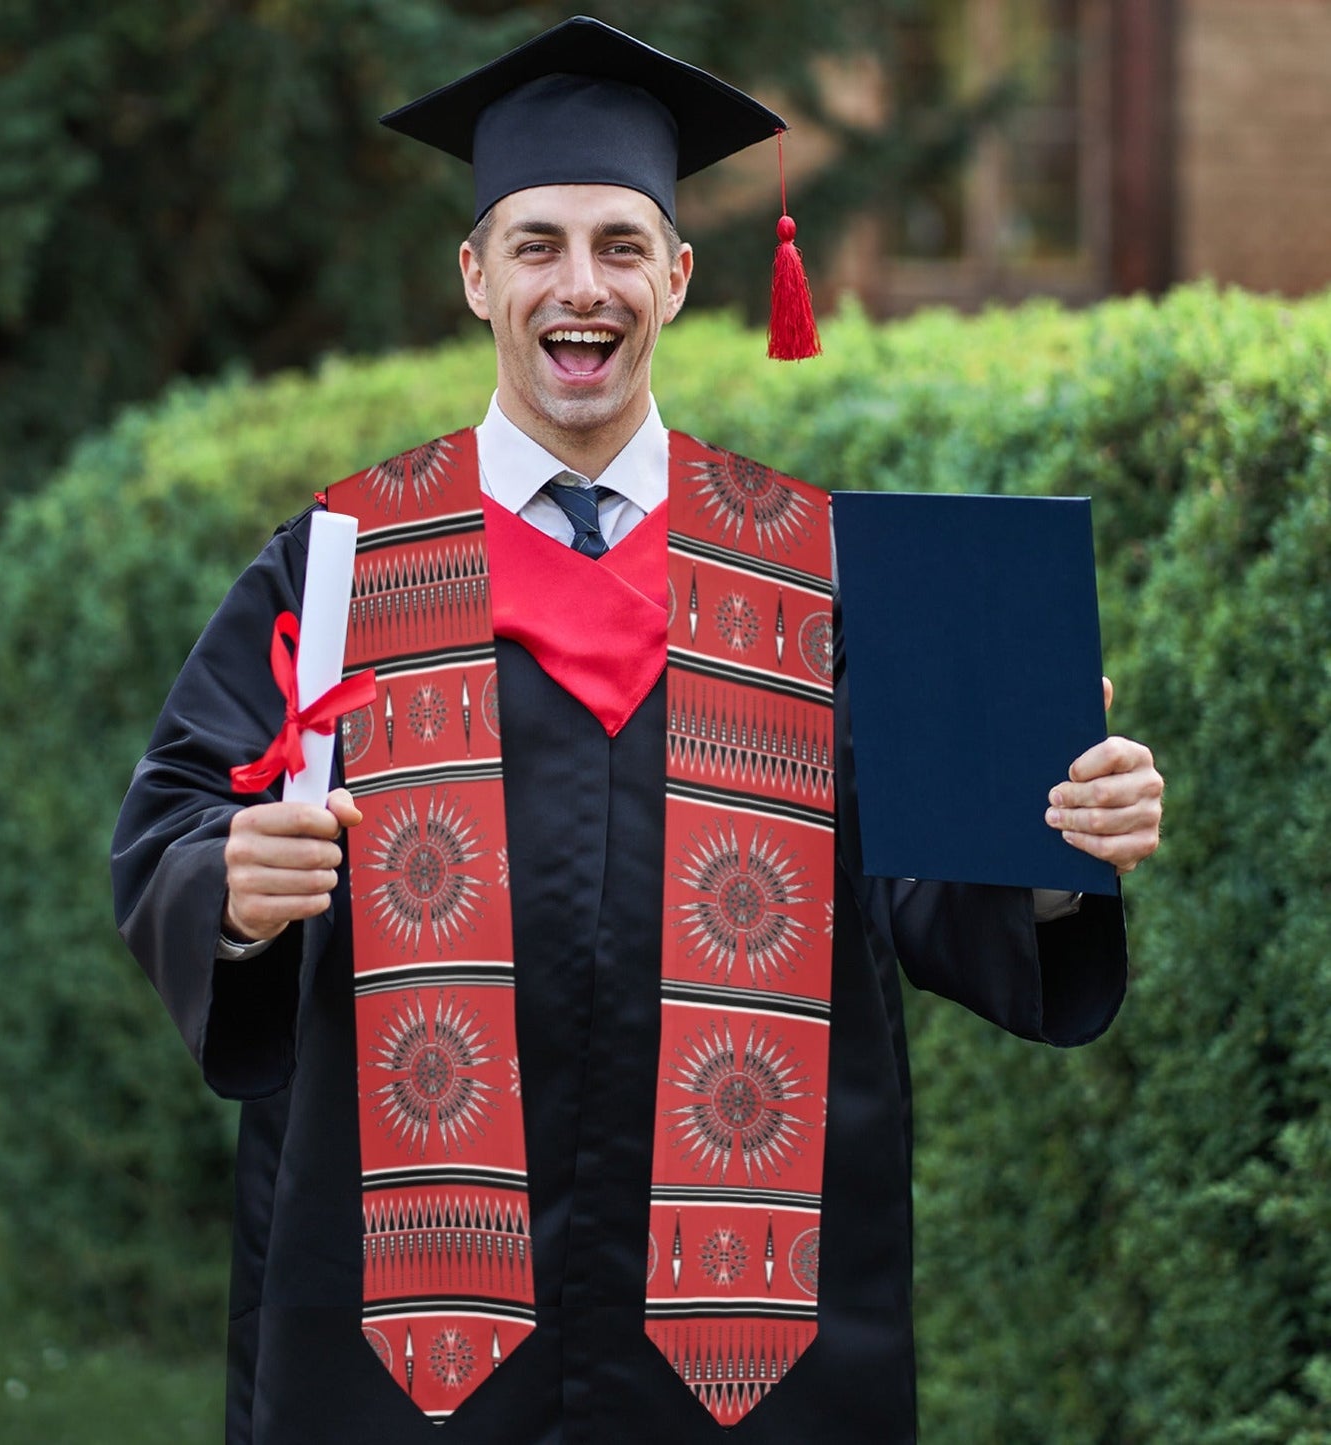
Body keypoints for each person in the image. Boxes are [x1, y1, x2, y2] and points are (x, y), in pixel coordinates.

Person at [111, 17, 1163, 1445]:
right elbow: (177, 817)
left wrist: (1051, 844)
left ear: (675, 275)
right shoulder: (347, 560)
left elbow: (925, 884)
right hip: (410, 1333)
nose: (578, 285)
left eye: (618, 244)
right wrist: (228, 887)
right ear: (475, 275)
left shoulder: (813, 568)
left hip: (747, 1330)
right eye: (536, 244)